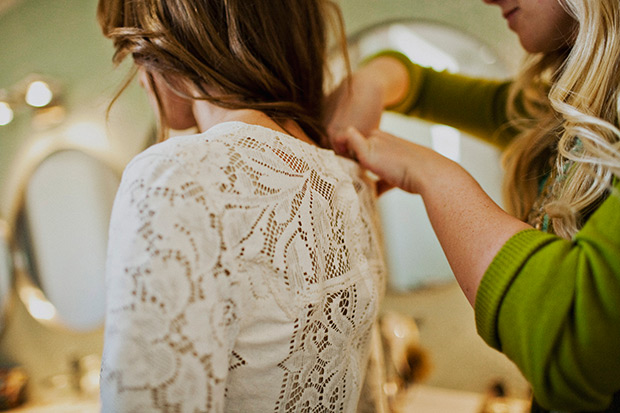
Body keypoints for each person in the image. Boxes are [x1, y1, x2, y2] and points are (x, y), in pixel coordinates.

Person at [326, 0, 620, 412]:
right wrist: (370, 81)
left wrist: (429, 173)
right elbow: (416, 83)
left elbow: (572, 344)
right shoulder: (561, 107)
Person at [96, 0, 388, 411]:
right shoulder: (349, 180)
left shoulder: (176, 174)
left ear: (172, 42)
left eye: (131, 51)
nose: (140, 79)